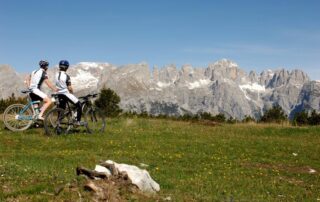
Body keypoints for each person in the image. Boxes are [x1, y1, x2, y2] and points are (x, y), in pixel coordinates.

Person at [55, 60, 84, 125]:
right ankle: (78, 121)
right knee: (79, 104)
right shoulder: (66, 76)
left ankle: (58, 123)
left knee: (61, 109)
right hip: (65, 94)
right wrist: (72, 93)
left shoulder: (56, 75)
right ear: (67, 67)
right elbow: (69, 88)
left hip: (59, 94)